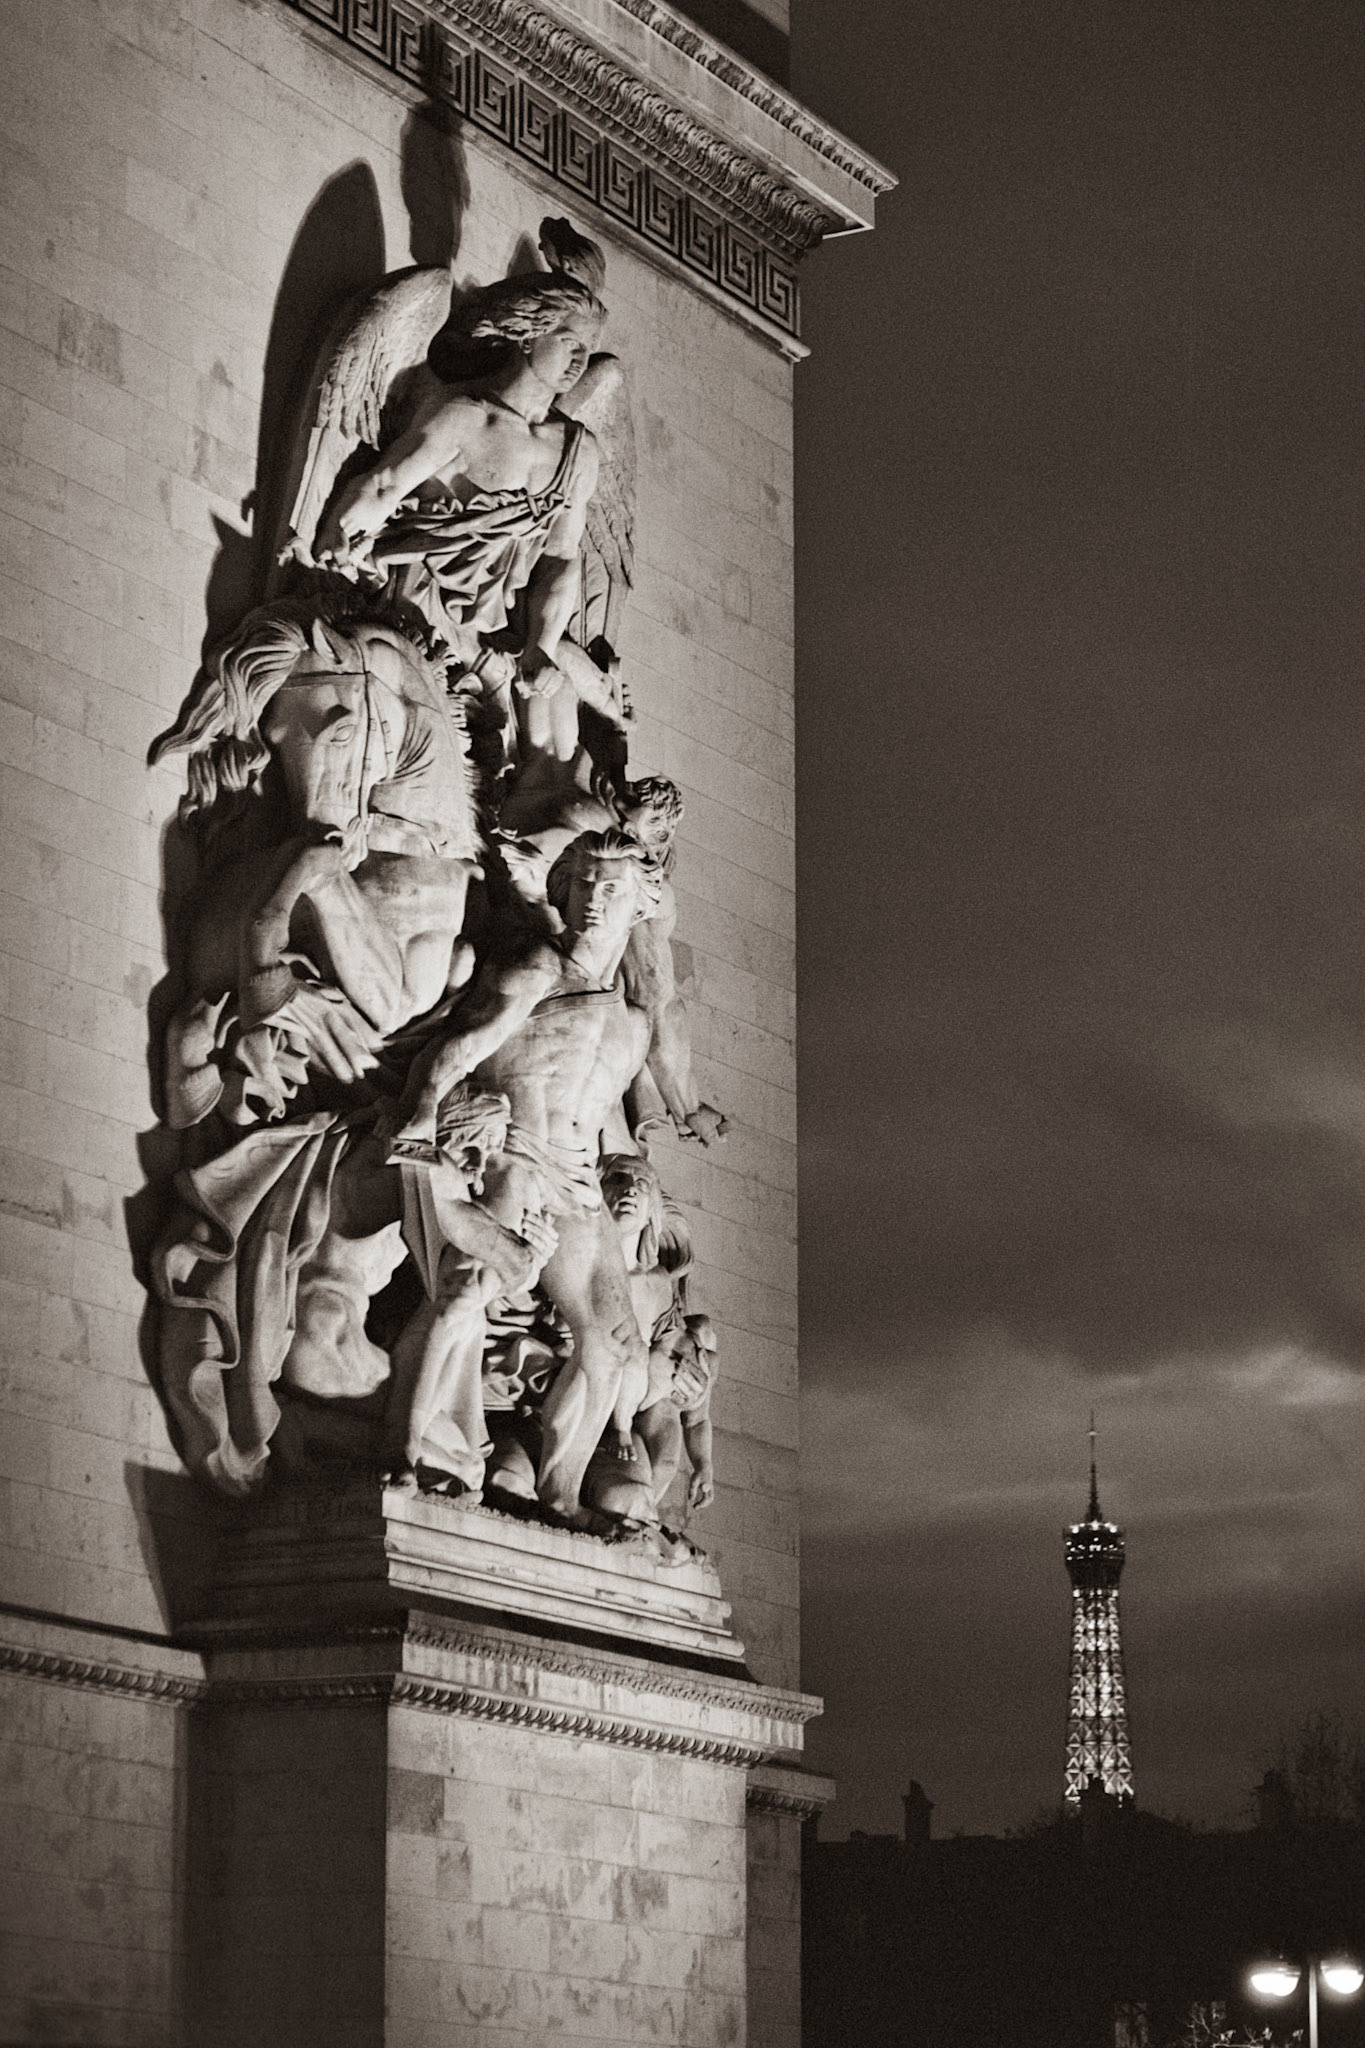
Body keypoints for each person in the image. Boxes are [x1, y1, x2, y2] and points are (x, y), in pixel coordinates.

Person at [387, 829, 664, 1523]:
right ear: (562, 891)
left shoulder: (634, 1025)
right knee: (463, 1297)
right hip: (513, 1155)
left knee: (612, 1350)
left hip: (577, 1183)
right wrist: (422, 1121)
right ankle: (409, 1447)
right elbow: (457, 1051)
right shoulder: (538, 969)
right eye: (583, 885)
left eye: (611, 890)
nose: (595, 901)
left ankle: (560, 1492)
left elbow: (606, 1125)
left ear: (637, 903)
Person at [314, 273, 605, 783]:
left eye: (588, 350)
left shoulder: (578, 451)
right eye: (570, 342)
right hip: (412, 605)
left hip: (490, 630)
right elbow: (385, 484)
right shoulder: (466, 415)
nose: (580, 362)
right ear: (528, 334)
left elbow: (562, 555)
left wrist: (542, 643)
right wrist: (337, 532)